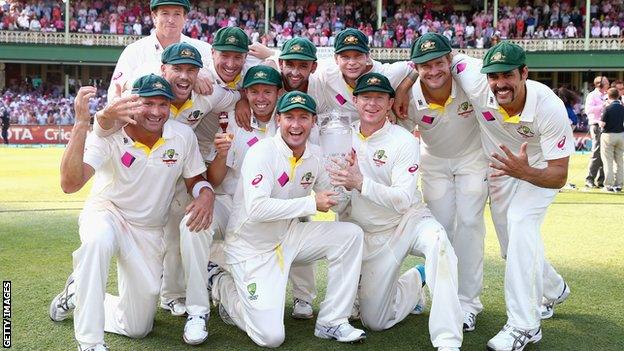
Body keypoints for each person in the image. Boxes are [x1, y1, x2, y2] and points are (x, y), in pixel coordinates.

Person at [49, 75, 214, 351]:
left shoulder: (181, 136)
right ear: (132, 104)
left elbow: (195, 180)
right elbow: (70, 183)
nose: (156, 112)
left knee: (137, 328)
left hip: (148, 229)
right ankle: (89, 343)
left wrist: (206, 194)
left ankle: (79, 293)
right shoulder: (110, 134)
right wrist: (81, 123)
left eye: (163, 104)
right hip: (108, 213)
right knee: (97, 241)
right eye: (147, 103)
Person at [93, 43, 240, 326]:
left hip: (180, 170)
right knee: (141, 234)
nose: (184, 77)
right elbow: (113, 111)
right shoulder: (145, 91)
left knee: (180, 231)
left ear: (199, 73)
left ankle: (172, 294)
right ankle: (90, 285)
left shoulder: (204, 95)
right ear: (163, 69)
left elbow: (233, 95)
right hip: (142, 175)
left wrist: (243, 102)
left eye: (190, 71)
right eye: (177, 69)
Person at [209, 91, 366, 347]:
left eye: (303, 117)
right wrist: (310, 203)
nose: (296, 125)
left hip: (289, 237)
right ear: (278, 120)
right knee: (270, 338)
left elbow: (338, 200)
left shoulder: (315, 155)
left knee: (350, 235)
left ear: (313, 121)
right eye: (289, 117)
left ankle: (333, 321)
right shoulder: (262, 153)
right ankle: (220, 283)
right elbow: (257, 209)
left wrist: (348, 180)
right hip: (252, 247)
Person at [328, 72, 463, 351]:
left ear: (390, 103)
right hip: (370, 234)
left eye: (380, 98)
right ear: (355, 100)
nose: (372, 104)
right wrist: (340, 187)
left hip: (408, 221)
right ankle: (416, 280)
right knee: (375, 320)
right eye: (366, 97)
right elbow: (339, 200)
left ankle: (448, 339)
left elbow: (403, 199)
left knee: (439, 241)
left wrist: (360, 182)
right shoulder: (341, 137)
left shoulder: (403, 140)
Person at [452, 42, 573, 351]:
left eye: (507, 75)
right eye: (494, 77)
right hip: (502, 167)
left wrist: (525, 172)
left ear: (524, 73)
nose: (499, 84)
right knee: (511, 244)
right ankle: (554, 287)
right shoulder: (473, 78)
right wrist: (406, 86)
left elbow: (560, 175)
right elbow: (441, 57)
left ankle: (524, 325)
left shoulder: (549, 106)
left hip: (539, 169)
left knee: (520, 224)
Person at [207, 65, 319, 320]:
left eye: (267, 92)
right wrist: (222, 154)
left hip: (277, 203)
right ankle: (202, 287)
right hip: (233, 202)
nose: (260, 98)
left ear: (279, 93)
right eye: (254, 92)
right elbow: (215, 179)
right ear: (245, 93)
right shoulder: (234, 121)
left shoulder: (289, 120)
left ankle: (303, 295)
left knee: (301, 216)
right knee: (195, 225)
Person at [406, 33, 489, 333]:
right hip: (434, 163)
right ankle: (438, 294)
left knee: (469, 225)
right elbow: (402, 138)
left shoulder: (469, 81)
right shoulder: (410, 94)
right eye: (425, 66)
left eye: (439, 62)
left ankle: (467, 303)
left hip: (472, 159)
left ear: (450, 60)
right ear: (415, 68)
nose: (433, 71)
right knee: (439, 232)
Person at [314, 28, 416, 121]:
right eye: (345, 57)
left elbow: (418, 65)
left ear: (367, 56)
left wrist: (402, 90)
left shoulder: (385, 73)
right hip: (343, 135)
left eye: (358, 56)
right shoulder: (327, 71)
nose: (352, 62)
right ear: (336, 59)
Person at [584, 75, 609, 188]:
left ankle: (602, 180)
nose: (608, 84)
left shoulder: (608, 95)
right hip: (596, 125)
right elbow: (588, 110)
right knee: (596, 152)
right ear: (599, 84)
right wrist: (602, 106)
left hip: (608, 126)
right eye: (606, 82)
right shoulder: (592, 95)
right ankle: (590, 179)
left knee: (606, 153)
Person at [599, 87, 624, 192]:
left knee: (608, 161)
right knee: (620, 161)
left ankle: (608, 185)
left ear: (608, 97)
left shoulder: (607, 108)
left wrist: (599, 123)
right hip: (621, 135)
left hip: (608, 135)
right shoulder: (622, 108)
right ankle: (619, 184)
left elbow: (602, 124)